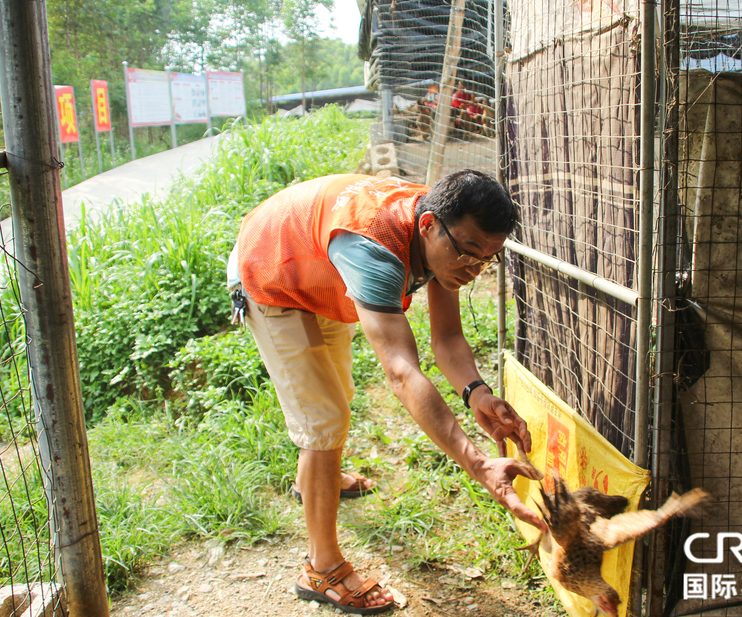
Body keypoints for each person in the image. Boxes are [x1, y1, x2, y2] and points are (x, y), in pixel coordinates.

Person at [227, 170, 545, 615]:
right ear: (428, 225)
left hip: (318, 264)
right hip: (270, 268)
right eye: (469, 256)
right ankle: (322, 569)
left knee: (336, 392)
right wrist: (478, 464)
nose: (473, 272)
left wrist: (478, 394)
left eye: (487, 262)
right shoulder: (376, 252)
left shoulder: (443, 237)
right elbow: (400, 372)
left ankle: (316, 480)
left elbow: (448, 339)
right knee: (323, 419)